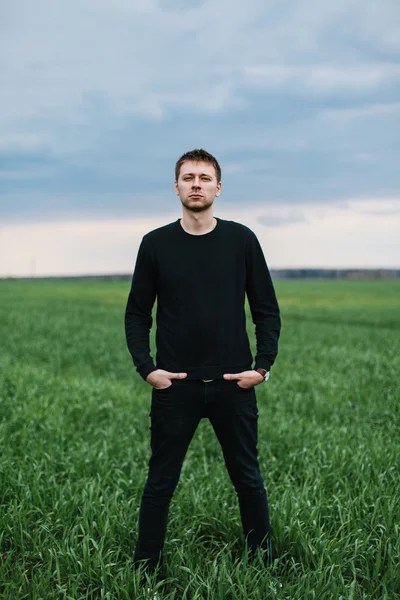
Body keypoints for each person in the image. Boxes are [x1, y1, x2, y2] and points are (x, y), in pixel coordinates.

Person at [125, 148, 281, 580]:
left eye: (204, 177)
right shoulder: (155, 244)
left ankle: (263, 566)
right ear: (176, 186)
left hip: (235, 384)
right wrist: (148, 370)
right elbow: (137, 314)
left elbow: (266, 310)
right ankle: (145, 571)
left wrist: (262, 368)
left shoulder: (242, 240)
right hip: (176, 386)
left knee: (248, 478)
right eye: (188, 177)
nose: (196, 184)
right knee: (160, 483)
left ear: (218, 187)